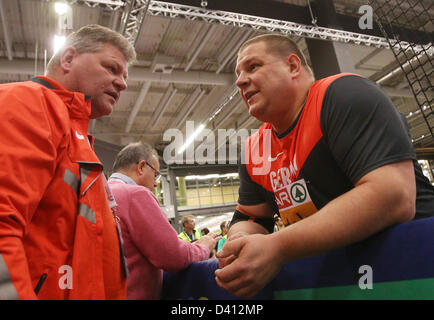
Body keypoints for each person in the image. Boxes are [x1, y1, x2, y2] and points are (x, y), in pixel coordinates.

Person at [215, 34, 434, 298]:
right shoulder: (254, 149)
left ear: (293, 66)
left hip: (413, 270)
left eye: (253, 67)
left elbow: (393, 195)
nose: (240, 81)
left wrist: (279, 246)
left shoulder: (343, 95)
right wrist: (239, 241)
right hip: (338, 281)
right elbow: (251, 218)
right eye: (238, 74)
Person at [0, 24, 136, 300]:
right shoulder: (28, 102)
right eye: (112, 68)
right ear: (69, 59)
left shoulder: (76, 136)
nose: (123, 83)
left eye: (124, 75)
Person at [108, 142, 220, 300]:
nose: (155, 183)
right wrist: (203, 248)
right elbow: (172, 256)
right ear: (141, 167)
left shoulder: (100, 193)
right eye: (155, 175)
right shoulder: (135, 195)